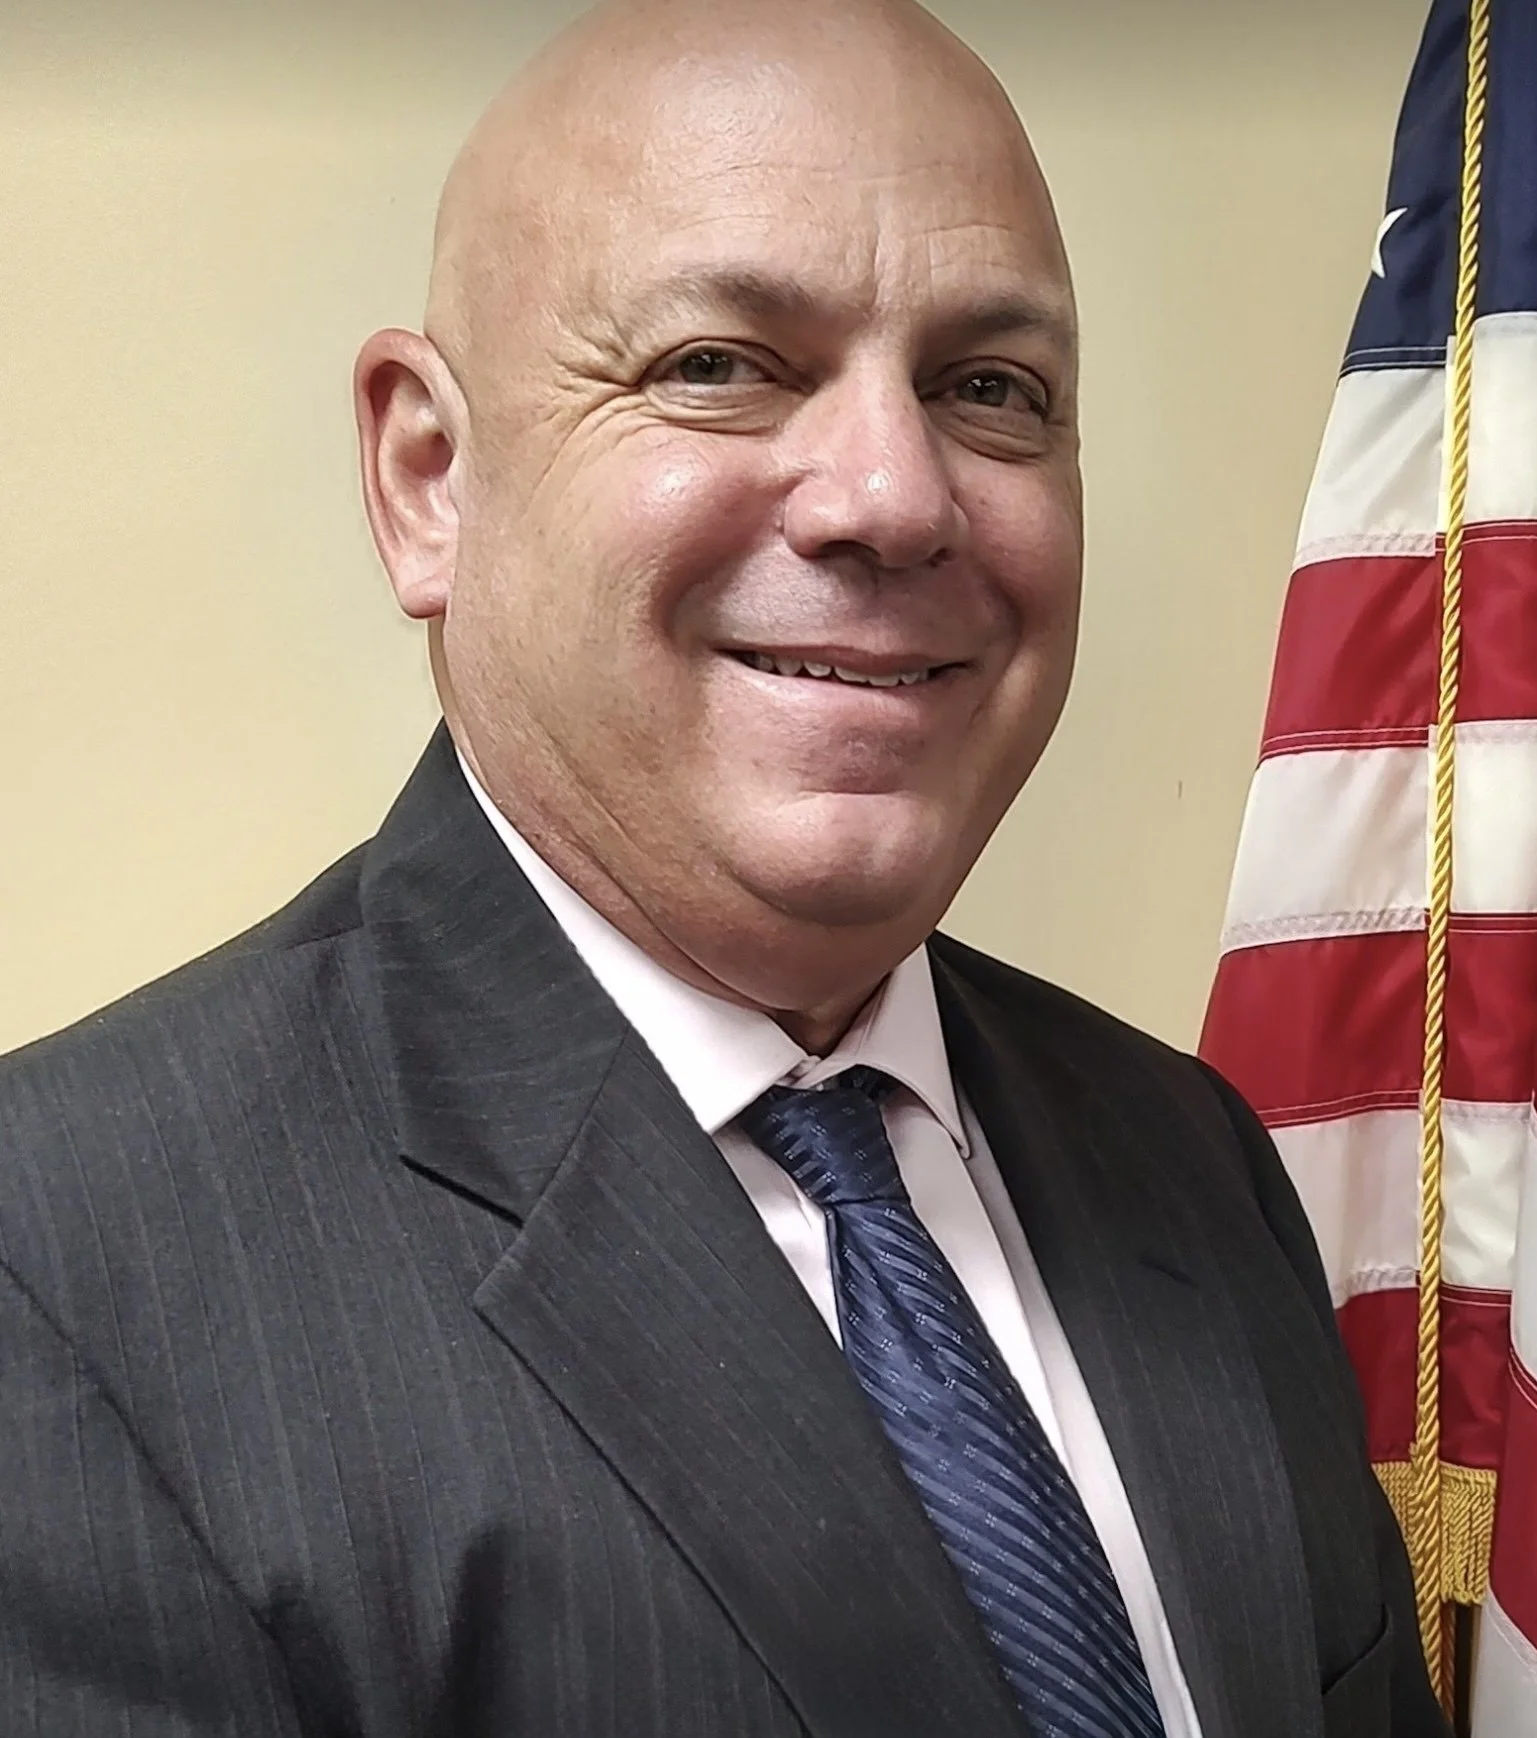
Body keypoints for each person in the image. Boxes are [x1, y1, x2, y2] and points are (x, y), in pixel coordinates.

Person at [0, 2, 1449, 1734]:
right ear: (428, 478)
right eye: (721, 364)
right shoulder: (69, 1264)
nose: (891, 496)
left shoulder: (1189, 1153)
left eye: (989, 389)